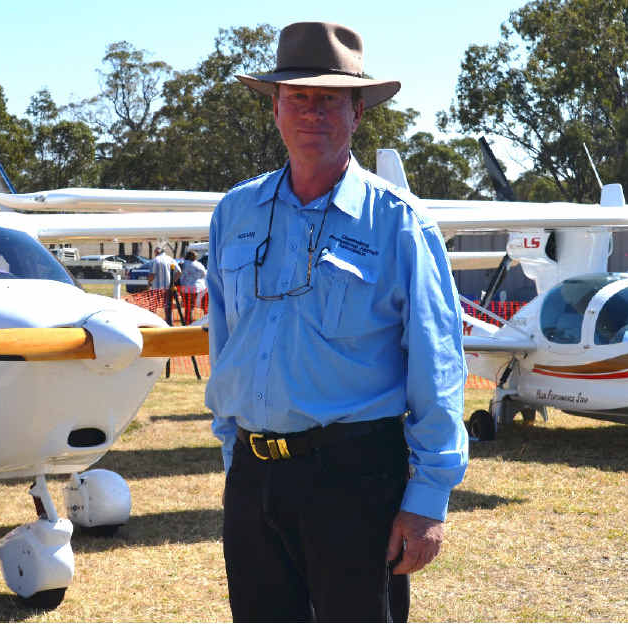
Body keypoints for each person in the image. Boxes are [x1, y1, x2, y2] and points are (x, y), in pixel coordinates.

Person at [205, 21, 468, 623]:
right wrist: (233, 453)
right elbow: (228, 340)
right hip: (253, 474)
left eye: (329, 99)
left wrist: (427, 501)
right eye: (298, 96)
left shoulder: (399, 222)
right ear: (274, 108)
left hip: (354, 477)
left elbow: (438, 360)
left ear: (357, 112)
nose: (312, 112)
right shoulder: (235, 213)